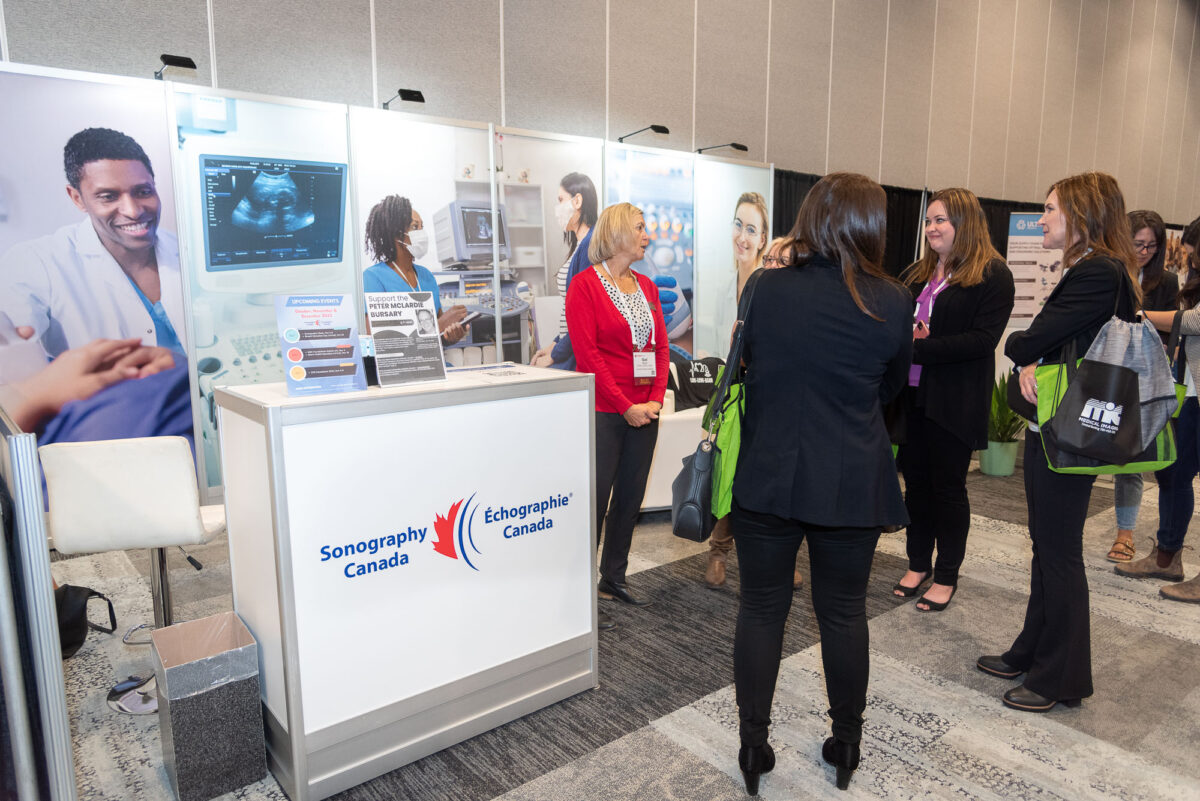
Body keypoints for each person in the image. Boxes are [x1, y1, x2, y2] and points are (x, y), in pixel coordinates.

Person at [730, 173, 912, 794]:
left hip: (767, 473)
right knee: (842, 614)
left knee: (761, 611)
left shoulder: (764, 288)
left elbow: (750, 366)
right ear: (869, 225)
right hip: (850, 478)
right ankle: (846, 746)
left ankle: (753, 748)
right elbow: (890, 390)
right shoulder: (891, 300)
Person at [978, 172, 1140, 712]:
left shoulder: (1097, 271)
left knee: (1059, 550)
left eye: (1050, 209)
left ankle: (1059, 678)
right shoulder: (1098, 270)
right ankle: (1033, 650)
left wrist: (1027, 349)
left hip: (1071, 429)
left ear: (1082, 213)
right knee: (1046, 546)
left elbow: (1033, 335)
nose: (1042, 219)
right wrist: (1033, 354)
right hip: (1059, 421)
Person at [0, 127, 189, 443]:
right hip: (111, 439)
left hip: (200, 426)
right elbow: (14, 348)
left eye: (143, 191)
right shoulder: (37, 262)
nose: (132, 210)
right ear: (77, 198)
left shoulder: (190, 253)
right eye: (108, 196)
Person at [892, 189, 1015, 611]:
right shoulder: (916, 274)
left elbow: (983, 341)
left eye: (940, 220)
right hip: (911, 397)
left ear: (965, 223)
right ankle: (917, 563)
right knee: (916, 488)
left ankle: (946, 575)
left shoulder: (993, 274)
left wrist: (919, 348)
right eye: (929, 221)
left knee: (947, 489)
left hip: (953, 401)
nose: (931, 228)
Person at [565, 202, 669, 632]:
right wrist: (625, 405)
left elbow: (660, 347)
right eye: (641, 228)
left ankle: (613, 579)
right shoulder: (585, 287)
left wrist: (656, 400)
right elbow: (588, 357)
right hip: (606, 412)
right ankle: (577, 593)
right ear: (617, 234)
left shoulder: (645, 285)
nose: (647, 236)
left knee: (629, 500)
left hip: (646, 411)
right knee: (594, 503)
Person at [707, 195, 806, 591]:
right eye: (738, 225)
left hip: (772, 397)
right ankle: (718, 551)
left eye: (751, 229)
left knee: (773, 483)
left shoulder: (781, 287)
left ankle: (778, 558)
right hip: (734, 392)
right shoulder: (724, 286)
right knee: (728, 475)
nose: (743, 237)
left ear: (763, 237)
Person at [1121, 215, 1200, 602]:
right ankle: (1167, 556)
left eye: (1191, 247)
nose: (1186, 254)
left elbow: (1195, 321)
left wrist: (1137, 315)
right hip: (1191, 391)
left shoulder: (1167, 284)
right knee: (1171, 471)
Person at [1106, 210, 1179, 563]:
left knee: (1130, 458)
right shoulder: (1108, 271)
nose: (1144, 252)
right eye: (1138, 243)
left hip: (1141, 378)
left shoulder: (1165, 283)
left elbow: (1170, 333)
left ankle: (1125, 533)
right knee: (1084, 444)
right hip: (1103, 372)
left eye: (1152, 245)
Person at [362, 195, 468, 345]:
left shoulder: (426, 276)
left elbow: (438, 337)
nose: (421, 233)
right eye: (414, 227)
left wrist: (451, 336)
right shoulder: (373, 278)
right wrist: (438, 325)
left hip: (433, 362)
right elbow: (379, 343)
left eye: (421, 227)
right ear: (396, 233)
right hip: (400, 367)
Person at [532, 173, 597, 368]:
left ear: (577, 201)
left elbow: (584, 317)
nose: (557, 209)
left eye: (561, 200)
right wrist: (554, 344)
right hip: (568, 345)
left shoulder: (589, 246)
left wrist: (554, 356)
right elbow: (569, 318)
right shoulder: (580, 245)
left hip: (577, 352)